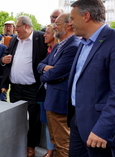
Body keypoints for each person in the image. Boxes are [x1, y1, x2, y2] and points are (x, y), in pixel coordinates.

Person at [67, 0, 115, 157]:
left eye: (72, 19)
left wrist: (104, 128)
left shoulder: (113, 41)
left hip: (99, 130)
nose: (70, 23)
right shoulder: (83, 42)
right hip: (77, 122)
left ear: (86, 16)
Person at [1, 15, 48, 157]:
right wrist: (3, 59)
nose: (15, 30)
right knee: (16, 117)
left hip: (33, 88)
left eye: (18, 27)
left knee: (34, 119)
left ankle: (30, 145)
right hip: (15, 88)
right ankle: (16, 142)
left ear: (27, 26)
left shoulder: (40, 38)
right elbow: (6, 56)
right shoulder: (15, 39)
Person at [37, 13, 79, 157]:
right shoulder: (59, 45)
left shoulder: (73, 46)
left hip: (60, 103)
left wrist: (44, 74)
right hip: (52, 100)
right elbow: (41, 64)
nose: (54, 26)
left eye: (58, 24)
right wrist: (45, 69)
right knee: (55, 140)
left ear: (69, 25)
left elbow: (55, 74)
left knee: (63, 145)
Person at [38, 24, 57, 157]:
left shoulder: (60, 50)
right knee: (46, 122)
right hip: (44, 93)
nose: (44, 35)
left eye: (47, 33)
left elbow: (56, 73)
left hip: (56, 95)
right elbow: (39, 66)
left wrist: (44, 71)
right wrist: (46, 69)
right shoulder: (48, 50)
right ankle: (50, 151)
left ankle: (52, 151)